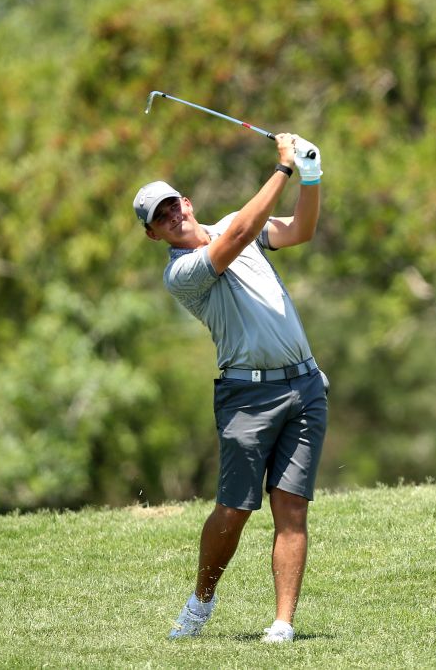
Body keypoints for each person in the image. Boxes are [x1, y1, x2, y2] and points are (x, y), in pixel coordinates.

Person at [133, 133, 327, 644]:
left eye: (174, 204)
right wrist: (281, 170)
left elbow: (301, 230)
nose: (172, 215)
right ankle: (201, 601)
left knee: (291, 508)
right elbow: (239, 234)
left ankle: (283, 623)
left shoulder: (235, 229)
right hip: (247, 397)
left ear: (187, 202)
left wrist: (310, 174)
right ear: (154, 234)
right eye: (161, 216)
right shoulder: (183, 272)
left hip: (304, 387)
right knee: (235, 509)